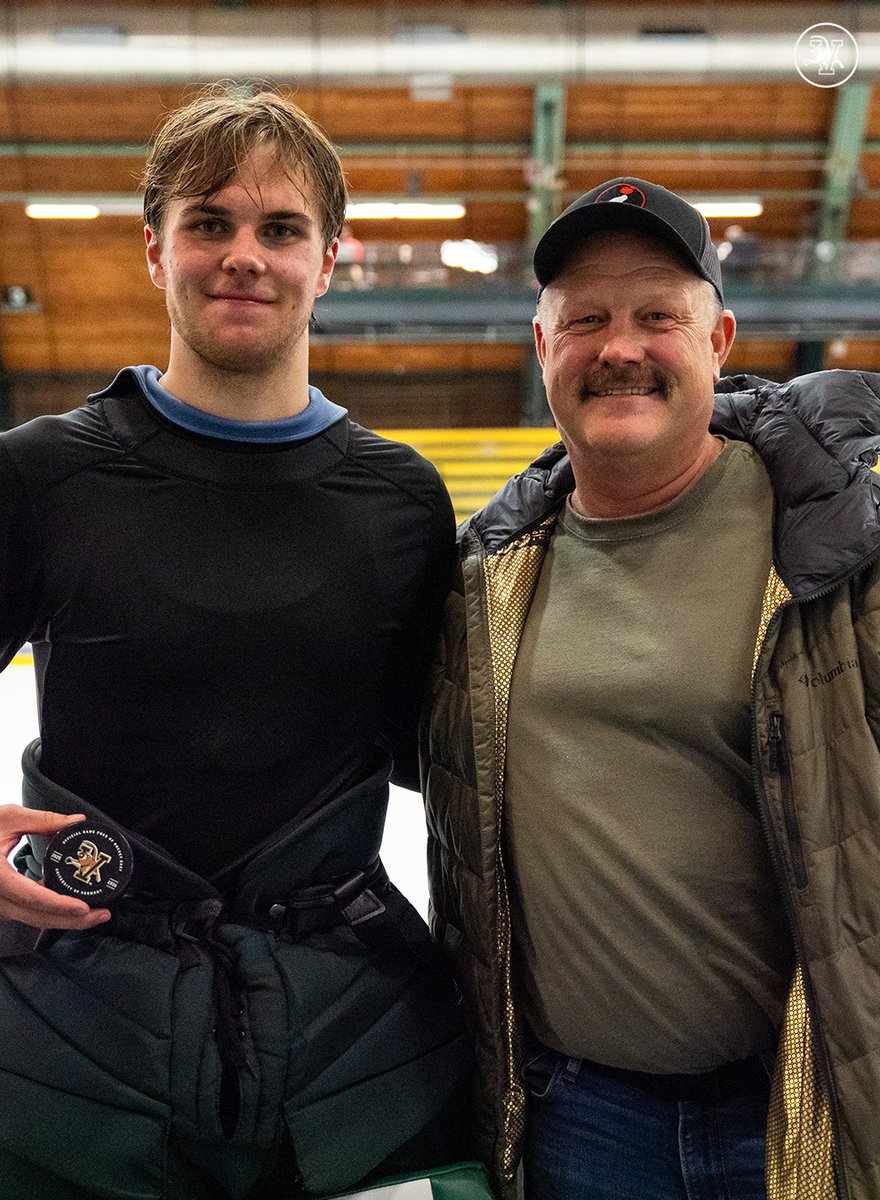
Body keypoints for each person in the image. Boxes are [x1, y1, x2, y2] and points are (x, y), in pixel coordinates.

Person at [0, 86, 474, 1200]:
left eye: (280, 230)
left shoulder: (401, 498)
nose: (243, 256)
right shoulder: (39, 474)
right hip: (69, 1015)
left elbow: (436, 748)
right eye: (208, 223)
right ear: (154, 248)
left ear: (329, 262)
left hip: (346, 1034)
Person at [421, 176, 880, 1200]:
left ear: (717, 340)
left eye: (655, 318)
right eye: (585, 320)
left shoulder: (839, 547)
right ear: (544, 347)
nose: (618, 347)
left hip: (805, 1102)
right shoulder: (484, 582)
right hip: (583, 1120)